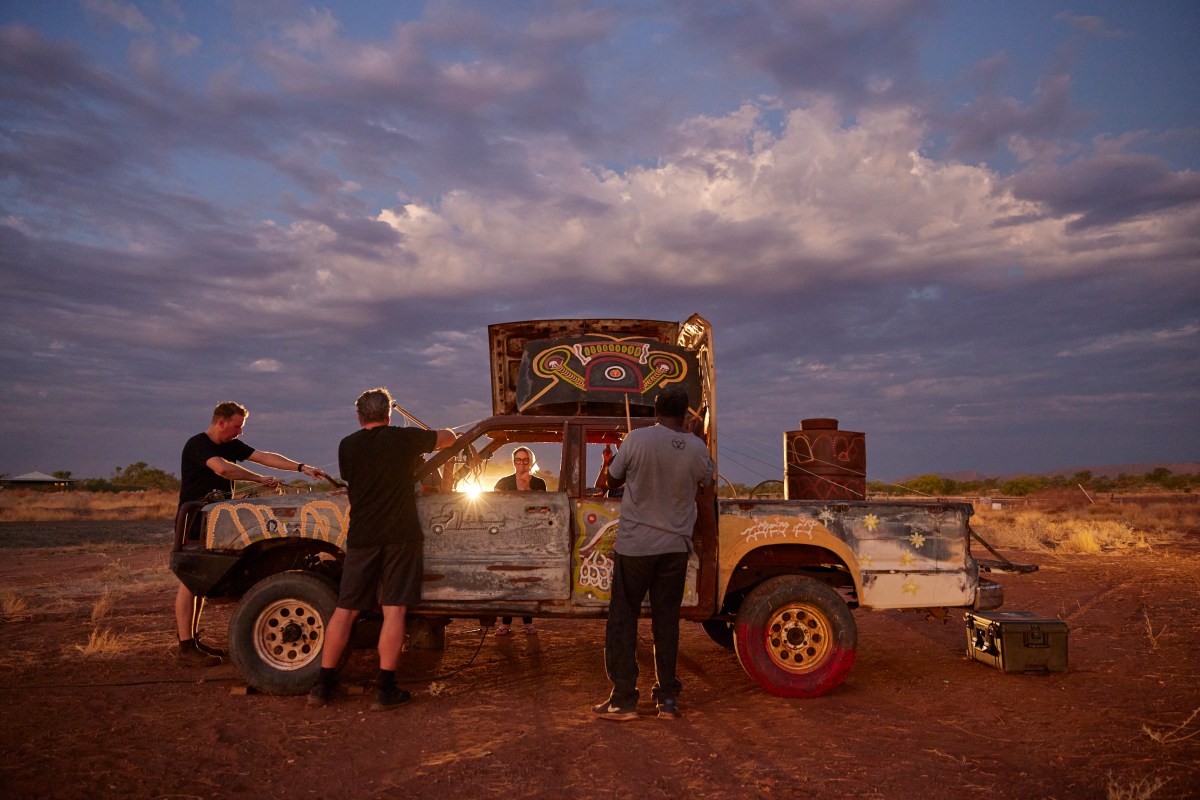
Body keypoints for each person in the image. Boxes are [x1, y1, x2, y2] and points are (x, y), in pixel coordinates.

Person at [308, 387, 456, 711]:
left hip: (362, 536)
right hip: (401, 535)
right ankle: (385, 689)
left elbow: (354, 476)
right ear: (389, 415)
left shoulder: (347, 445)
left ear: (359, 416)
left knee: (345, 610)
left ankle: (322, 686)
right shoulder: (403, 439)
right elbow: (448, 438)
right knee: (394, 610)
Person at [176, 401, 330, 667]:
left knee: (201, 582)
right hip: (195, 520)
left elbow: (264, 456)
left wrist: (301, 467)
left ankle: (192, 641)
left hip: (216, 519)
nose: (239, 433)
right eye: (236, 427)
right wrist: (260, 479)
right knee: (190, 582)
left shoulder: (230, 446)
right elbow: (222, 469)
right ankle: (185, 647)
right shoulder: (198, 444)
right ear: (221, 422)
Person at [592, 386, 714, 721]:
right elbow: (708, 479)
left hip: (635, 547)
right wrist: (692, 439)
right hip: (674, 548)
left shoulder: (635, 439)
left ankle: (623, 700)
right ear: (685, 415)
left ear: (655, 411)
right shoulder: (696, 448)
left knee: (623, 619)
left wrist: (612, 461)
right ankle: (667, 700)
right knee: (666, 622)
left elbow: (611, 480)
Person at [492, 447, 543, 636]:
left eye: (525, 460)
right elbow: (495, 506)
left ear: (531, 462)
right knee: (508, 580)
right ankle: (505, 623)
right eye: (519, 460)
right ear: (513, 462)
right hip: (507, 536)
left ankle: (528, 622)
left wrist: (527, 488)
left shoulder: (539, 482)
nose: (522, 464)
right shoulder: (503, 482)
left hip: (529, 536)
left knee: (525, 580)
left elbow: (541, 509)